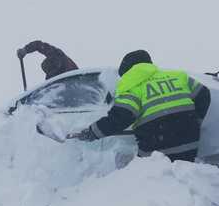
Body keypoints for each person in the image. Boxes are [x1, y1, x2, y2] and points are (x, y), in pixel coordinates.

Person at [70, 50, 211, 162]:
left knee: (144, 179)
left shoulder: (131, 85)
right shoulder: (177, 76)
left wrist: (91, 133)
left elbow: (121, 117)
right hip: (190, 141)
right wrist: (196, 120)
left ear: (127, 71)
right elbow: (204, 94)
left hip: (157, 146)